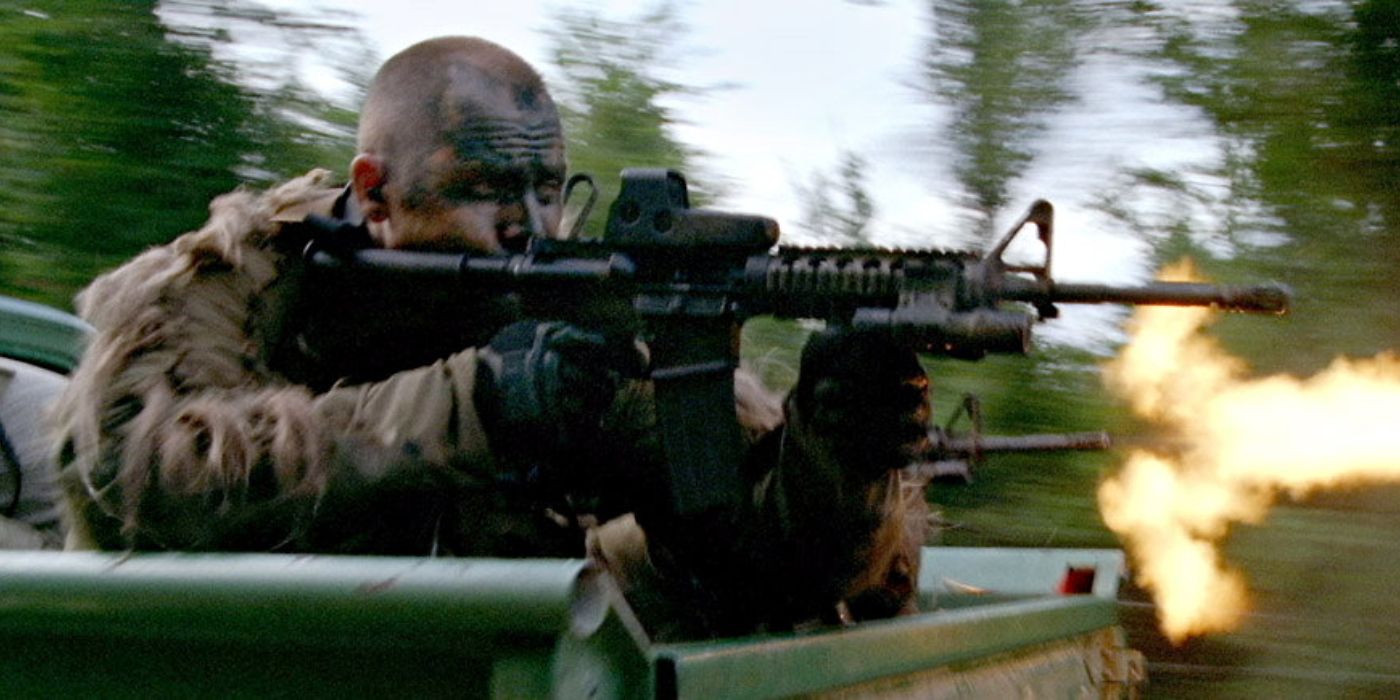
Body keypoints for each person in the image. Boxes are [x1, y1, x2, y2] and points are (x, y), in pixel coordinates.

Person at [51, 36, 931, 637]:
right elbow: (124, 478)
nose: (535, 223)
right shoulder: (241, 275)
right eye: (490, 187)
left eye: (550, 185)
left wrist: (840, 455)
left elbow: (759, 555)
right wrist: (477, 403)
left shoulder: (558, 315)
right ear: (377, 192)